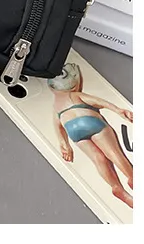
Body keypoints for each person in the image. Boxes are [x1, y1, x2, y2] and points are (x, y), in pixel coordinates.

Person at [49, 63, 133, 208]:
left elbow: (58, 126)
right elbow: (98, 102)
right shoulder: (74, 95)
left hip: (74, 132)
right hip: (90, 122)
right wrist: (118, 110)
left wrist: (65, 145)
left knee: (98, 158)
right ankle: (131, 176)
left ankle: (116, 187)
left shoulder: (56, 106)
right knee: (113, 153)